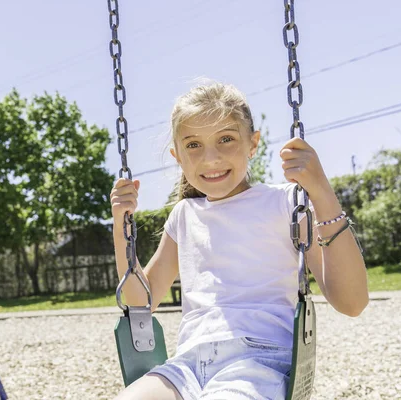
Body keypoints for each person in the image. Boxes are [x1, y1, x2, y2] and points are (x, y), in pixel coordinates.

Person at [109, 82, 369, 400]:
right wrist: (120, 223)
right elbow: (140, 305)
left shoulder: (286, 203)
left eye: (226, 139)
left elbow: (352, 302)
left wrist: (321, 190)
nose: (211, 158)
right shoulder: (183, 215)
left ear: (253, 144)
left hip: (260, 362)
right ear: (177, 155)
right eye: (193, 145)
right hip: (187, 367)